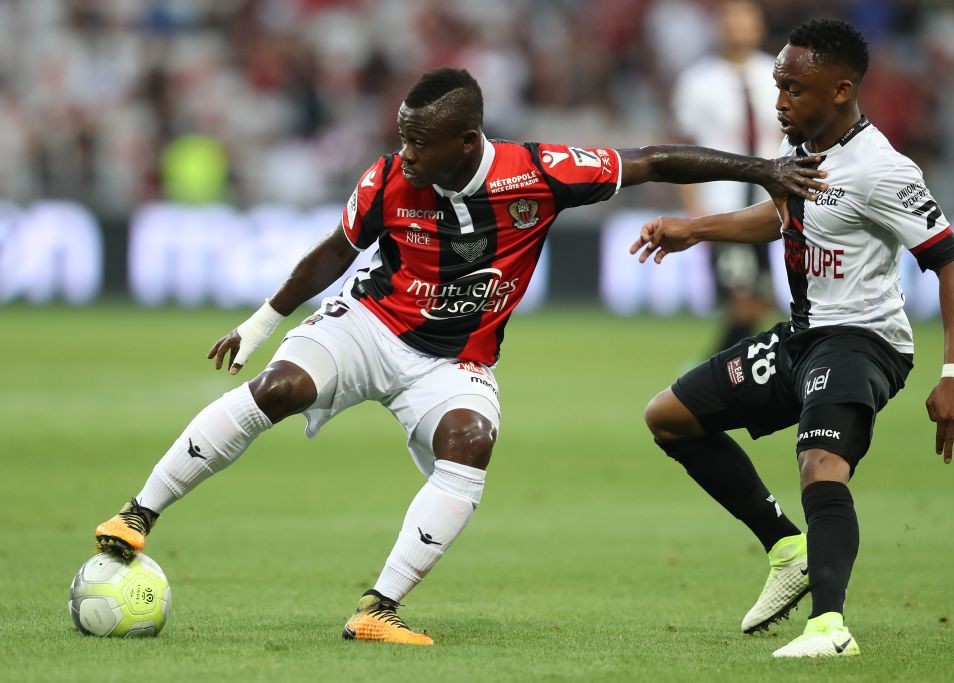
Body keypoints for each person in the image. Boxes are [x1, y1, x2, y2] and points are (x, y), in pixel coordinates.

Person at [94, 67, 825, 646]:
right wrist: (261, 323)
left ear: (467, 140)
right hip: (368, 325)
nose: (405, 154)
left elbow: (653, 159)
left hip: (454, 363)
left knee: (471, 441)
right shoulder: (387, 180)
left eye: (420, 143)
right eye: (403, 139)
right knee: (281, 385)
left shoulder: (539, 172)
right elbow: (333, 254)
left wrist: (761, 169)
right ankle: (136, 514)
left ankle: (378, 608)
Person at [631, 20, 954, 658]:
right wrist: (697, 229)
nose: (781, 101)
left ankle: (829, 629)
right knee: (670, 418)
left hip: (862, 342)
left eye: (795, 89)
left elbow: (953, 266)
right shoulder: (804, 155)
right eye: (778, 85)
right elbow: (783, 214)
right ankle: (787, 546)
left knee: (820, 466)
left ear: (841, 91)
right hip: (802, 337)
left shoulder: (884, 170)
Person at [670, 0, 779, 352]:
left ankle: (712, 378)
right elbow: (682, 149)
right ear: (720, 28)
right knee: (742, 300)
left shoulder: (778, 74)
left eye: (745, 20)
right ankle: (708, 379)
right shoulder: (698, 81)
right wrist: (694, 210)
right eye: (731, 21)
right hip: (723, 205)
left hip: (768, 206)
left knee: (759, 302)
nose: (738, 28)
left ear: (758, 27)